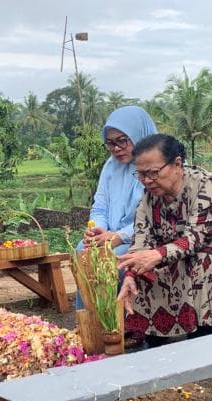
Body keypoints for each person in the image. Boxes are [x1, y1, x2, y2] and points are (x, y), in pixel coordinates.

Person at [116, 134, 212, 346]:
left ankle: (202, 333)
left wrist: (157, 254)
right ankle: (156, 338)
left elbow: (196, 238)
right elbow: (141, 240)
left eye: (153, 173)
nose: (147, 180)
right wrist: (131, 273)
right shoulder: (148, 198)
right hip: (183, 253)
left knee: (199, 261)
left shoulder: (208, 186)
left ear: (177, 164)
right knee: (146, 269)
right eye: (141, 174)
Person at [75, 105, 157, 309]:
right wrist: (98, 229)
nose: (116, 148)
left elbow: (158, 214)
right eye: (110, 143)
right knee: (83, 251)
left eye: (122, 140)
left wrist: (119, 236)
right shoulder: (111, 166)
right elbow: (100, 205)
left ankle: (121, 325)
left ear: (139, 135)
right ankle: (89, 320)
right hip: (111, 236)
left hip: (147, 237)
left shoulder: (157, 165)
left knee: (115, 258)